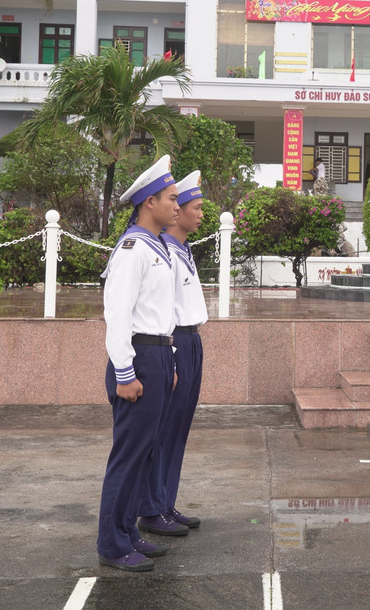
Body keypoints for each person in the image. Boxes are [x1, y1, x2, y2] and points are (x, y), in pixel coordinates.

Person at [96, 155, 180, 572]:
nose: (178, 207)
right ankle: (112, 545)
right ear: (149, 202)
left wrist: (171, 359)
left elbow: (160, 311)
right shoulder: (133, 248)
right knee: (128, 456)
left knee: (145, 454)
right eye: (171, 198)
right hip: (139, 358)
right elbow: (118, 314)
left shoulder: (157, 246)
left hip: (158, 354)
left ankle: (128, 532)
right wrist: (125, 373)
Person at [138, 170, 207, 536]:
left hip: (191, 340)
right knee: (163, 432)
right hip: (174, 341)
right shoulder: (161, 249)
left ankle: (165, 502)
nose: (201, 215)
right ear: (176, 211)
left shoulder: (183, 248)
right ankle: (151, 509)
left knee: (178, 429)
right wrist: (173, 354)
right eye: (195, 207)